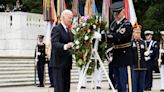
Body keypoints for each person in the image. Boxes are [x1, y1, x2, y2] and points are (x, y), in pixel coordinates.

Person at [107, 1, 135, 92]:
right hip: (116, 57)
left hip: (124, 57)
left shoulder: (127, 24)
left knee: (124, 83)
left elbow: (118, 36)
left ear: (123, 11)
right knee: (118, 83)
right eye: (114, 13)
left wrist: (105, 36)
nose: (115, 15)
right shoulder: (113, 25)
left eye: (117, 13)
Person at [51, 9, 73, 92]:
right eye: (69, 18)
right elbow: (55, 43)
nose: (71, 20)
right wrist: (65, 46)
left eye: (71, 18)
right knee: (59, 88)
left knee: (66, 88)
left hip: (67, 64)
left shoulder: (69, 31)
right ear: (63, 17)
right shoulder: (57, 29)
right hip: (58, 64)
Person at [132, 25, 147, 92]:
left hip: (142, 66)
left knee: (141, 86)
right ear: (133, 33)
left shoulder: (143, 42)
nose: (138, 34)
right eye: (136, 32)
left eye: (139, 33)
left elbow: (146, 52)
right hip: (134, 66)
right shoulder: (131, 43)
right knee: (134, 85)